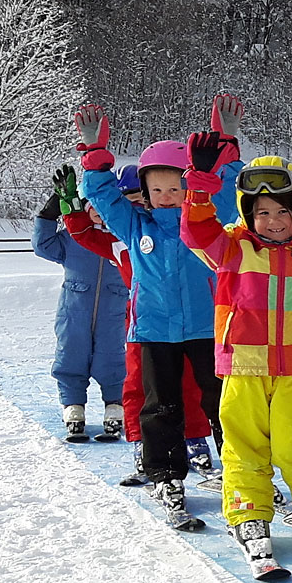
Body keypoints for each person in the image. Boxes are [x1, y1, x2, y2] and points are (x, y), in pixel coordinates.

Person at [177, 130, 292, 580]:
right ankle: (248, 513)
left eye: (282, 211)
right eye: (262, 213)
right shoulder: (231, 248)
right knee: (245, 444)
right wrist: (200, 183)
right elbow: (195, 229)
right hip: (243, 364)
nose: (273, 221)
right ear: (246, 215)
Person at [75, 96, 244, 530]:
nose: (167, 197)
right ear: (146, 193)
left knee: (223, 403)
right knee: (160, 406)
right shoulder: (136, 226)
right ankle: (166, 475)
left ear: (189, 188)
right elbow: (101, 195)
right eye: (157, 190)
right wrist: (95, 157)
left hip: (208, 329)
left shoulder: (207, 219)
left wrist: (226, 142)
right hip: (153, 331)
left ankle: (241, 471)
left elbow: (226, 187)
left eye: (176, 188)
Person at [64, 169, 220, 487]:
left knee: (193, 385)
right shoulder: (122, 240)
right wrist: (73, 213)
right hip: (145, 326)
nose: (138, 206)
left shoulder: (176, 230)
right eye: (131, 200)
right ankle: (144, 446)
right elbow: (87, 234)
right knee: (140, 389)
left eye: (139, 200)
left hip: (192, 324)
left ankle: (196, 440)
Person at [31, 164, 127, 443]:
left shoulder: (122, 240)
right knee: (71, 355)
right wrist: (48, 214)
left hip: (114, 312)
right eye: (91, 205)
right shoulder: (75, 239)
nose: (98, 211)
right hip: (74, 312)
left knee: (112, 359)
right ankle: (74, 407)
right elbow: (43, 245)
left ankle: (115, 406)